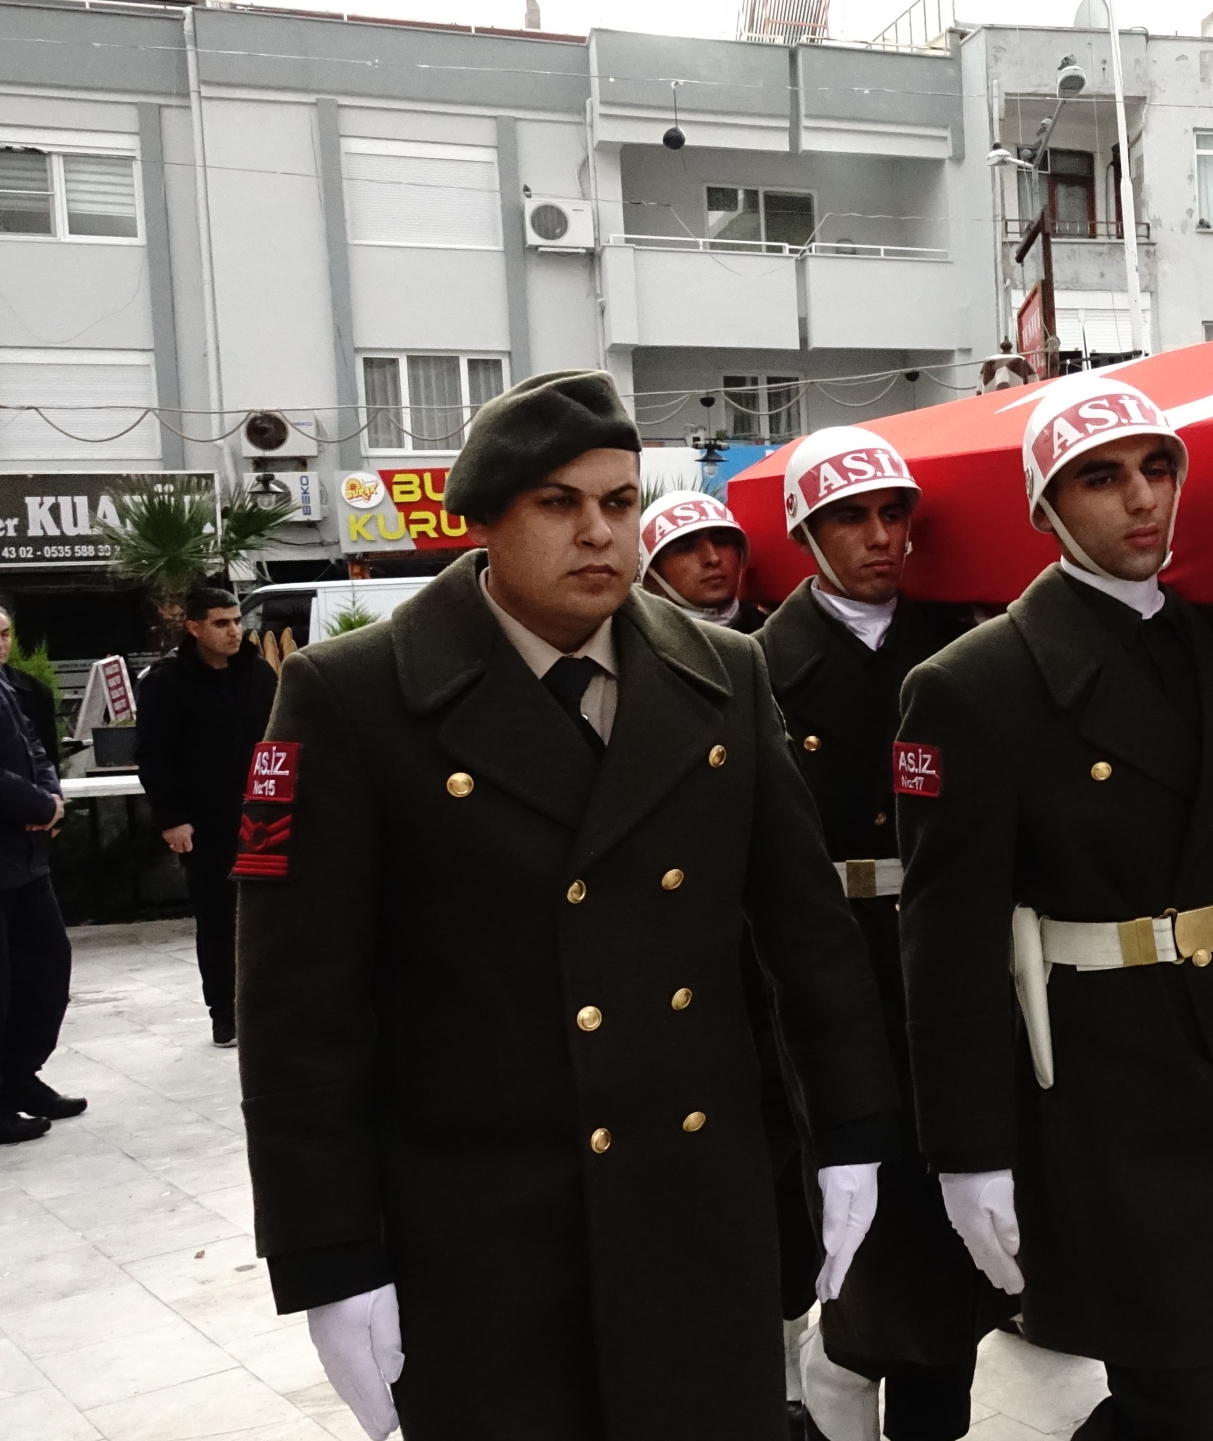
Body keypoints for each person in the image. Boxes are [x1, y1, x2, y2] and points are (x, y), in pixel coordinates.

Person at [235, 370, 903, 1441]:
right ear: (486, 518)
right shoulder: (351, 697)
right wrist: (327, 1252)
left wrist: (855, 1129)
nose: (600, 532)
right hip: (483, 1230)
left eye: (620, 502)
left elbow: (805, 934)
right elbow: (297, 1005)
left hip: (697, 1204)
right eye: (559, 504)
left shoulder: (722, 674)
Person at [893, 374, 1213, 1441]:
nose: (1141, 499)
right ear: (1045, 508)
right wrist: (967, 1152)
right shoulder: (977, 683)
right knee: (1181, 1396)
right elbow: (947, 943)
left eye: (1159, 470)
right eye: (1100, 479)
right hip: (1116, 1082)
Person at [754, 427, 998, 1441]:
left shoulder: (966, 637)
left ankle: (906, 1396)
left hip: (955, 951)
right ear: (807, 531)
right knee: (869, 1210)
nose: (879, 535)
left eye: (894, 513)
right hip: (831, 965)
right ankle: (843, 1362)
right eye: (851, 517)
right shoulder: (757, 665)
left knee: (954, 1223)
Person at [136, 585, 279, 1048]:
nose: (234, 630)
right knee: (218, 920)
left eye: (237, 620)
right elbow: (154, 755)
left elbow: (284, 739)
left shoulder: (259, 674)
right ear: (194, 627)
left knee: (273, 916)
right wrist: (172, 818)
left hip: (265, 816)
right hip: (206, 821)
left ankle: (271, 1009)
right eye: (221, 623)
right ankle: (225, 1014)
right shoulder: (166, 682)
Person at [0, 635, 71, 1144]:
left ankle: (19, 1077)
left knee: (47, 967)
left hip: (27, 861)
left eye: (4, 633)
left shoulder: (10, 686)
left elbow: (35, 747)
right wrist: (35, 805)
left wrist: (52, 798)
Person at [638, 489, 759, 632]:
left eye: (722, 541)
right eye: (686, 547)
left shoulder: (778, 639)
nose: (712, 558)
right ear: (653, 576)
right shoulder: (627, 647)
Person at [0, 608, 59, 767]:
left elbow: (47, 756)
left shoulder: (36, 691)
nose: (1, 644)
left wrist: (50, 790)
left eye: (5, 635)